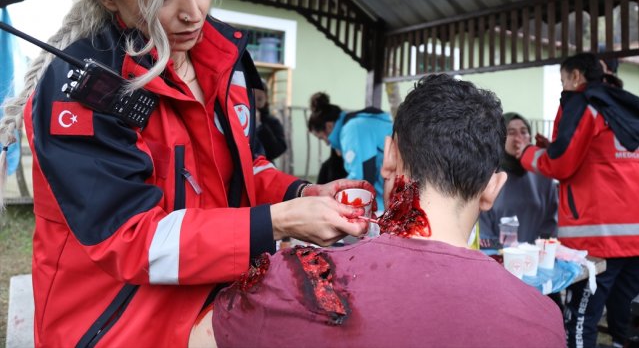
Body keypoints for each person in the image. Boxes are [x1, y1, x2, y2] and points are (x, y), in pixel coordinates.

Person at [0, 0, 373, 347]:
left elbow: (245, 167)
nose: (193, 13)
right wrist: (278, 221)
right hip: (121, 328)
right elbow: (134, 241)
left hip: (216, 308)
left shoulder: (222, 55)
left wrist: (302, 191)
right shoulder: (83, 89)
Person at [190, 73, 566, 348]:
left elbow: (196, 340)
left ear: (388, 157)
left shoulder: (290, 281)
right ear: (492, 189)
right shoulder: (543, 320)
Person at [519, 52, 639, 348]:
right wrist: (558, 146)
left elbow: (560, 164)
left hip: (598, 237)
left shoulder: (585, 104)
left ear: (575, 77)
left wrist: (526, 153)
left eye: (562, 80)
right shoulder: (630, 107)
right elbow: (607, 158)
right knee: (631, 319)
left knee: (581, 320)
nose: (563, 87)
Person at [478, 112, 557, 247]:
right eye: (511, 132)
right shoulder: (490, 177)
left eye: (524, 132)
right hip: (499, 258)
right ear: (500, 138)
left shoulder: (543, 177)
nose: (518, 138)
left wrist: (537, 250)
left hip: (535, 258)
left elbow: (551, 222)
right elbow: (483, 226)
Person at [308, 92, 392, 211]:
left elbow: (361, 180)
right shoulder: (357, 123)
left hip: (387, 202)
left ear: (329, 126)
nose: (327, 143)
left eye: (322, 138)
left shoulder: (353, 129)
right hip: (388, 197)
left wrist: (331, 200)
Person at [254, 79, 287, 161]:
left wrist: (260, 125)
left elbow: (278, 150)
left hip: (265, 166)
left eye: (259, 99)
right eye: (252, 98)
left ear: (266, 98)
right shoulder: (241, 118)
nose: (255, 103)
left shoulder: (273, 122)